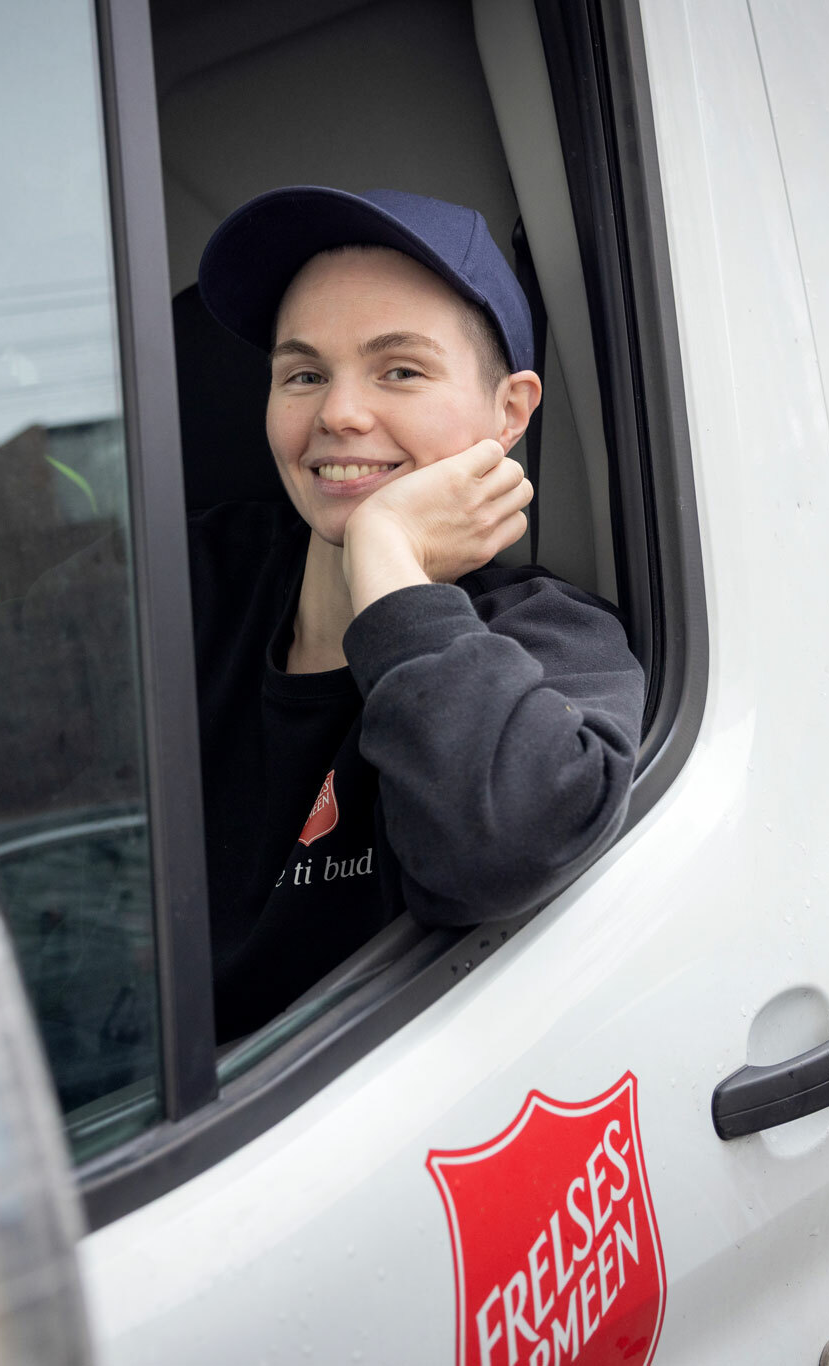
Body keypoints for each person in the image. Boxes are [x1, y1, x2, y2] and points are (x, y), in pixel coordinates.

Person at [190, 186, 645, 1040]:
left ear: (510, 412)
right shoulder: (197, 578)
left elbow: (499, 854)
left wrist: (388, 550)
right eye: (304, 374)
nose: (338, 413)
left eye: (399, 369)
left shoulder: (550, 639)